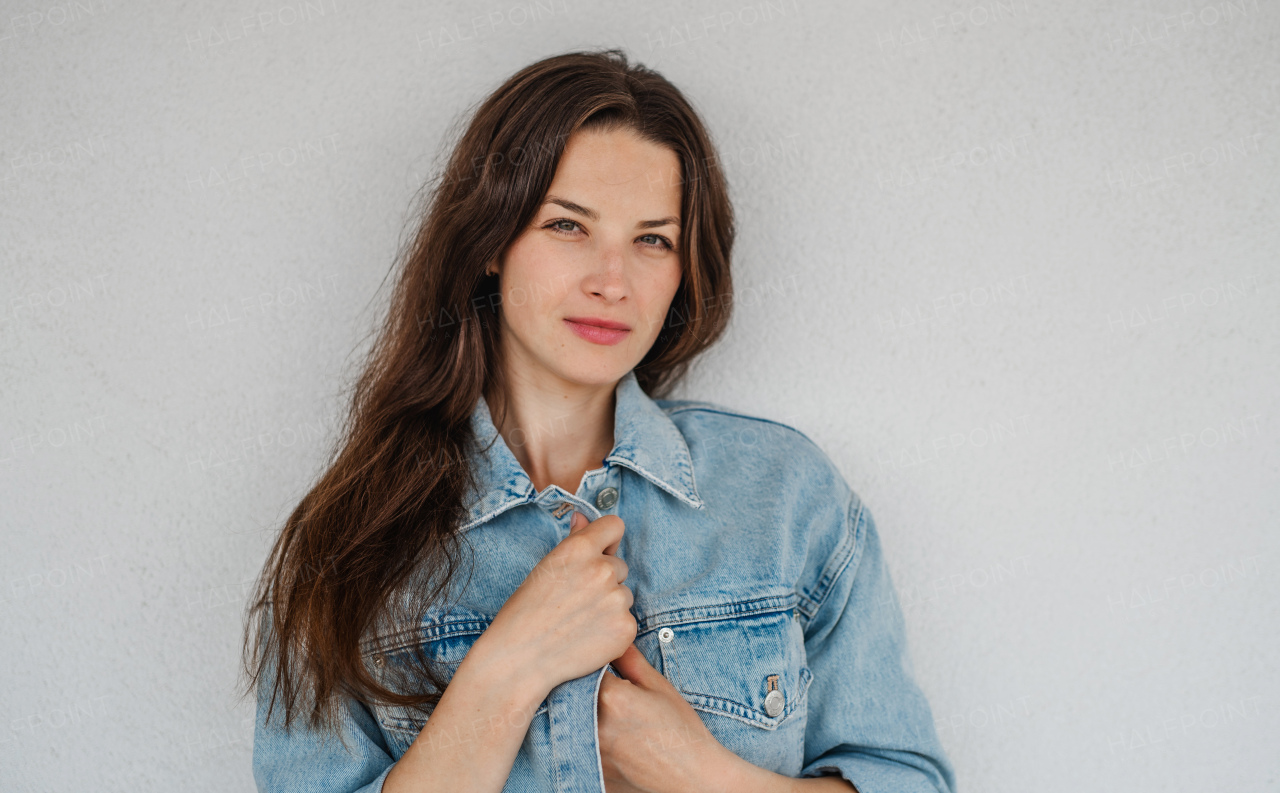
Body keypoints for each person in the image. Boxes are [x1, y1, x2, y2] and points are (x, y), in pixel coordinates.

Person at [242, 48, 956, 793]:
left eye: (653, 239)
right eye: (568, 226)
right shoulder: (347, 549)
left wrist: (700, 774)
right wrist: (504, 671)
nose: (611, 281)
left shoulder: (785, 499)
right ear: (490, 241)